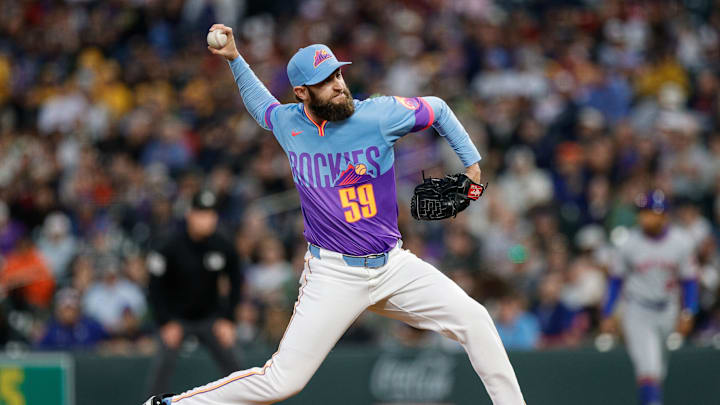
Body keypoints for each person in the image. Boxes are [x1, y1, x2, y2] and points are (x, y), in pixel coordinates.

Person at [143, 24, 526, 405]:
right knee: (281, 382)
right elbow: (262, 107)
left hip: (392, 266)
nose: (339, 84)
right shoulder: (290, 123)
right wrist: (235, 59)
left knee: (475, 320)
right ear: (302, 93)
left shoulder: (380, 115)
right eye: (326, 81)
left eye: (338, 74)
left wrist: (472, 166)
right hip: (334, 274)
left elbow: (438, 109)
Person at [600, 190, 699, 405]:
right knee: (649, 369)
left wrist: (689, 311)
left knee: (658, 371)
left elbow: (690, 280)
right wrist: (608, 312)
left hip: (668, 308)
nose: (645, 217)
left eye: (651, 212)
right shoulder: (628, 242)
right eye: (642, 212)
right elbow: (615, 281)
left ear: (664, 215)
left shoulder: (681, 241)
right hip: (638, 310)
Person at [146, 190, 243, 394]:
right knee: (162, 366)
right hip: (176, 319)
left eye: (211, 214)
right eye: (201, 214)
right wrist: (165, 322)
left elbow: (236, 282)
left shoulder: (222, 245)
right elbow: (154, 288)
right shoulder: (169, 245)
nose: (207, 220)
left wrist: (228, 319)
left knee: (236, 366)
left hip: (210, 318)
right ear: (190, 214)